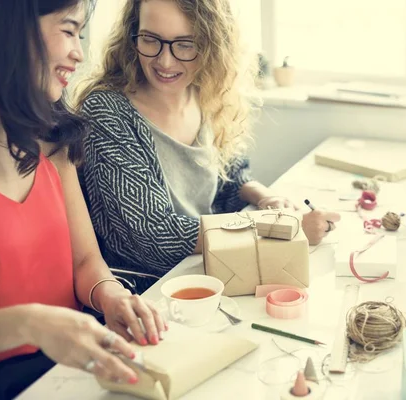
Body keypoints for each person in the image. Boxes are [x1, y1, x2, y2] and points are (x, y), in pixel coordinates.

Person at [77, 0, 341, 293]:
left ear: (211, 45)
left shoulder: (206, 94)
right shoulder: (108, 112)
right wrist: (279, 228)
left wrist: (266, 197)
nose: (165, 61)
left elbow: (229, 178)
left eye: (185, 45)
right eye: (150, 40)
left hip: (213, 268)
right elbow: (153, 238)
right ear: (132, 34)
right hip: (147, 292)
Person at [0, 1, 166, 398]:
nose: (79, 53)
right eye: (68, 30)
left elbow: (85, 261)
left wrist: (111, 294)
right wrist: (31, 324)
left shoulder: (52, 140)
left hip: (71, 364)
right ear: (10, 30)